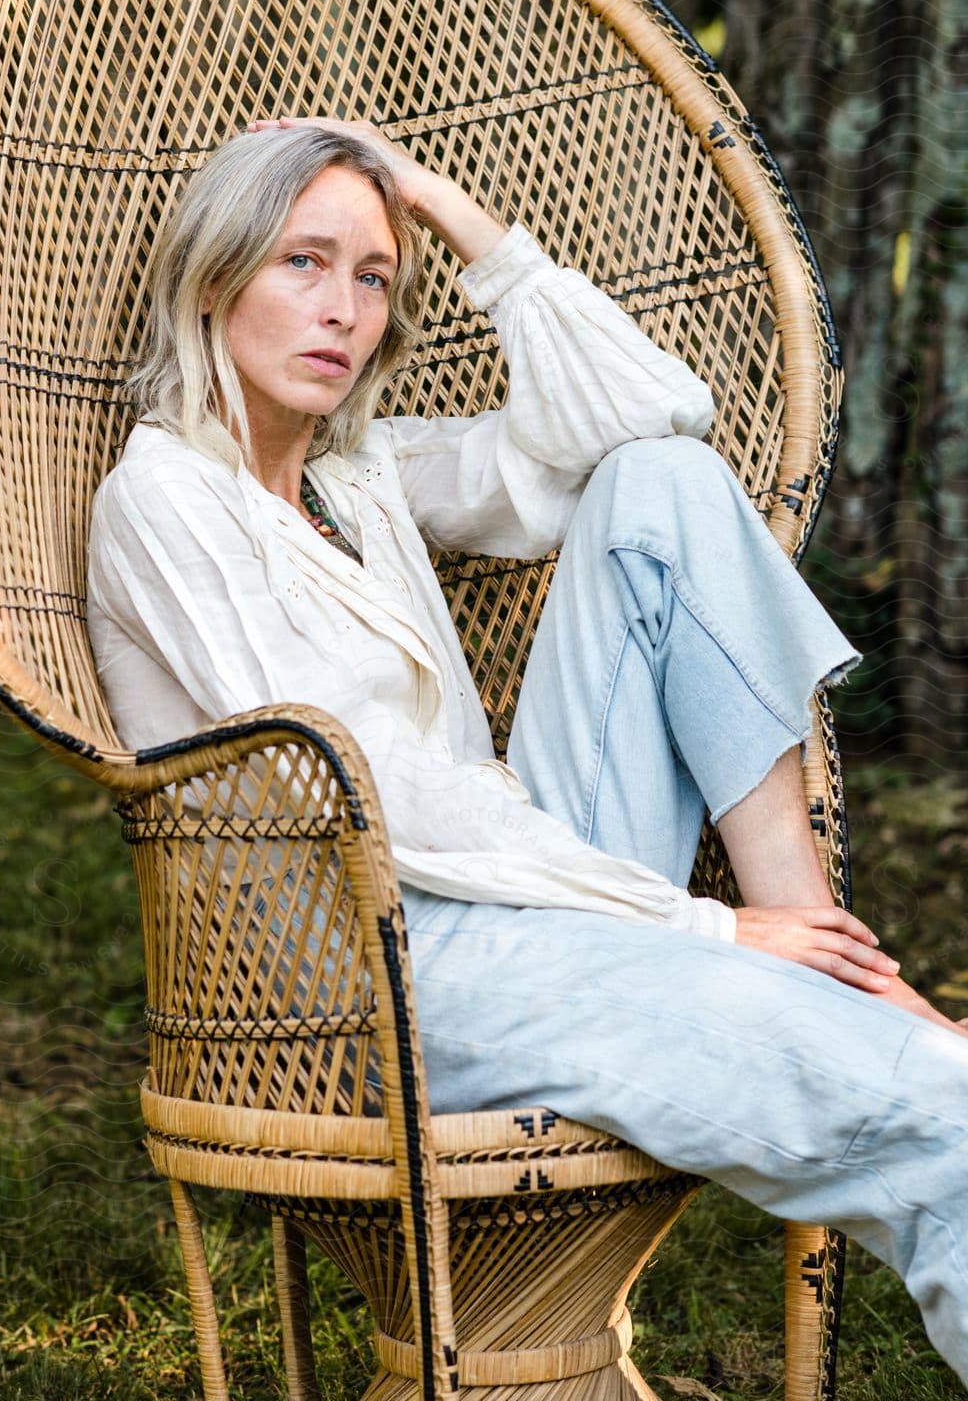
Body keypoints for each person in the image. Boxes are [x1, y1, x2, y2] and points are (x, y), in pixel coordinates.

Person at [86, 117, 968, 1381]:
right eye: (303, 263)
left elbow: (655, 415)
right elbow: (371, 799)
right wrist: (698, 929)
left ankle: (821, 936)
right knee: (942, 1121)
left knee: (659, 482)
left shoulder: (361, 477)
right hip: (374, 973)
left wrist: (459, 220)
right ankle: (818, 980)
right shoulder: (164, 500)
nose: (344, 308)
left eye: (375, 276)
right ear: (214, 278)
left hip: (517, 904)